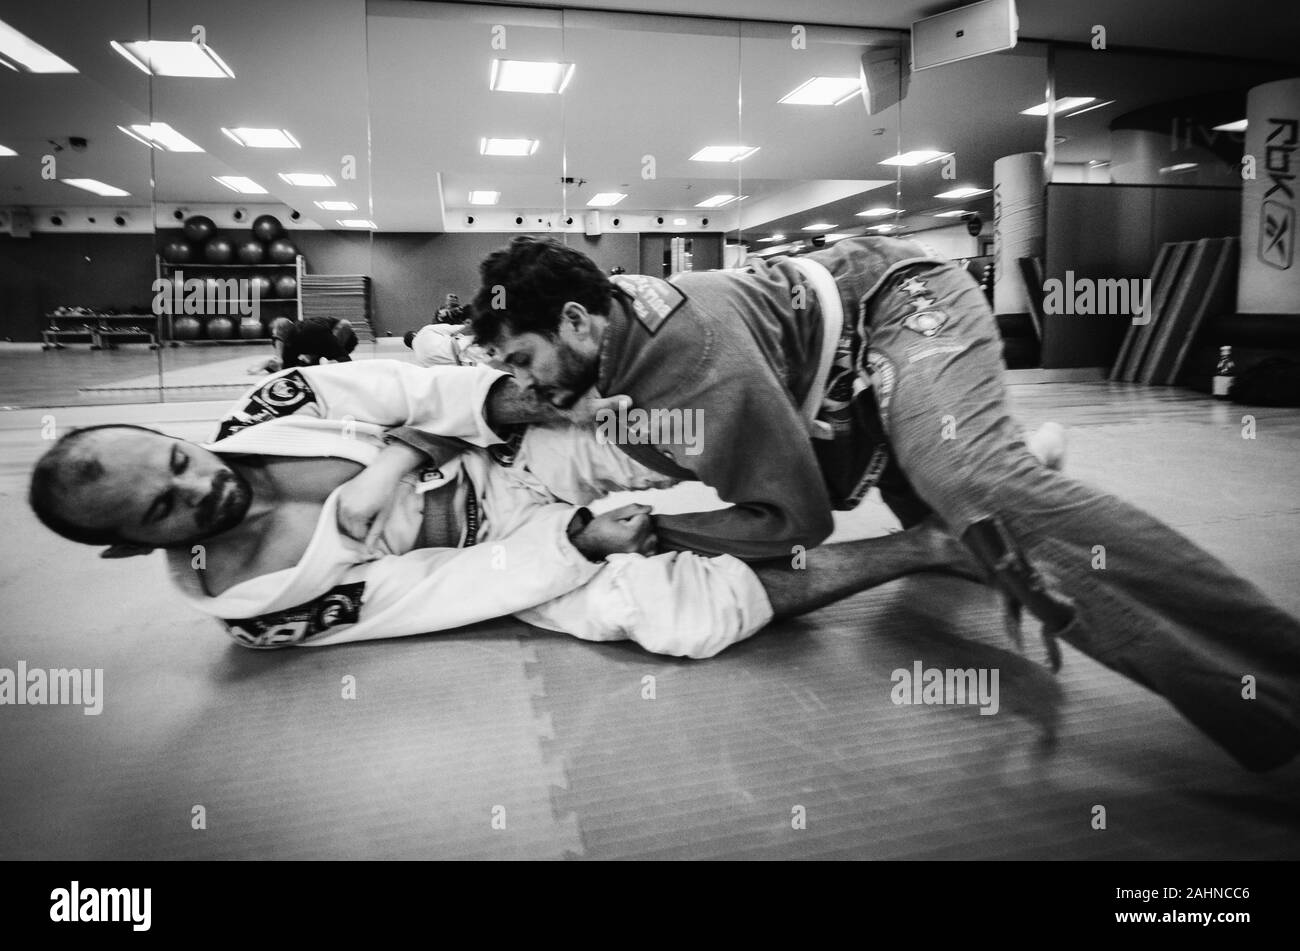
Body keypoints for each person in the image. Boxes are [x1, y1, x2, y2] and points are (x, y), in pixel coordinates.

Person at [468, 234, 1300, 771]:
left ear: (578, 321)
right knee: (978, 537)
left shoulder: (690, 361)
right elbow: (764, 473)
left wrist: (658, 535)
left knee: (975, 487)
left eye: (528, 358)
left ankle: (1276, 658)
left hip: (901, 302)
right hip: (847, 389)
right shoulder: (621, 361)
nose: (529, 385)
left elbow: (800, 522)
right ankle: (1246, 705)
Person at [27, 360, 979, 659]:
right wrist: (575, 542)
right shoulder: (259, 604)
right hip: (509, 552)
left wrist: (394, 458)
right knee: (673, 620)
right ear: (129, 548)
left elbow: (424, 388)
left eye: (179, 459)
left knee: (649, 426)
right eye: (165, 507)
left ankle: (859, 432)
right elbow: (433, 592)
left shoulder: (286, 401)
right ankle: (926, 542)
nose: (201, 485)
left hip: (498, 453)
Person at [250, 316, 358, 374]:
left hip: (341, 337)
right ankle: (321, 361)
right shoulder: (293, 341)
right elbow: (286, 366)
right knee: (306, 364)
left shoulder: (313, 333)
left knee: (345, 324)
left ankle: (326, 362)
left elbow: (346, 359)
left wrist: (332, 362)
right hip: (312, 342)